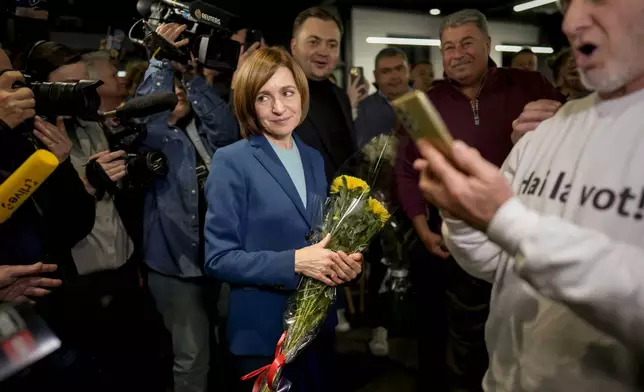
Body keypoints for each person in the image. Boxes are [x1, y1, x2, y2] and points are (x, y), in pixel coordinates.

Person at [413, 0, 644, 390]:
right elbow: (494, 262)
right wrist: (461, 214)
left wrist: (508, 221)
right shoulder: (547, 126)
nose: (571, 22)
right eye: (566, 4)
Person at [395, 9, 564, 392]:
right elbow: (407, 170)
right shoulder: (427, 102)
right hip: (459, 236)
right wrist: (422, 227)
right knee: (465, 337)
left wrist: (563, 116)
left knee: (531, 330)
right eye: (448, 47)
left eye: (467, 43)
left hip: (526, 234)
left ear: (488, 45)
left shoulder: (530, 84)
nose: (456, 54)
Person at [204, 46, 363, 392]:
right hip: (262, 336)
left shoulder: (313, 159)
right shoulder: (232, 161)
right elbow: (218, 259)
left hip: (317, 329)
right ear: (248, 103)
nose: (279, 107)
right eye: (264, 97)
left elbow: (317, 237)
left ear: (301, 94)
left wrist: (342, 264)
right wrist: (294, 262)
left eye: (287, 92)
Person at [136, 22, 240, 392]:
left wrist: (194, 77)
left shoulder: (205, 130)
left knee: (232, 348)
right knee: (193, 356)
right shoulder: (153, 138)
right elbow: (147, 117)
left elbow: (227, 132)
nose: (176, 95)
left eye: (179, 90)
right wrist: (161, 60)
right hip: (174, 265)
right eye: (171, 90)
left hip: (221, 258)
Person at [0, 55, 98, 390]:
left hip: (54, 315)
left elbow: (74, 225)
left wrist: (62, 167)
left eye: (14, 78)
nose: (15, 89)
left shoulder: (30, 135)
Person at [290, 6, 357, 180]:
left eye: (332, 44)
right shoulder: (277, 97)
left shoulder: (341, 97)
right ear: (294, 46)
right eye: (314, 42)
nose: (323, 51)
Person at [355, 47, 410, 148]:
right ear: (375, 76)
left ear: (408, 70)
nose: (394, 76)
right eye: (386, 71)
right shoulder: (362, 110)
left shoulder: (428, 102)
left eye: (399, 69)